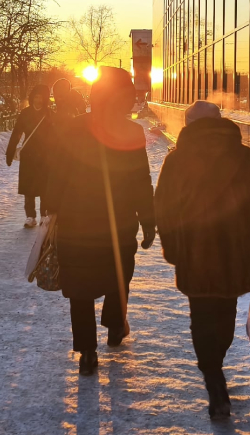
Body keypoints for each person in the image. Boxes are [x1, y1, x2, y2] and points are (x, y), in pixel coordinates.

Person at [154, 100, 250, 419]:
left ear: (188, 125)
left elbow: (164, 210)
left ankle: (213, 380)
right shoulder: (244, 157)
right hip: (235, 254)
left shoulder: (177, 159)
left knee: (201, 316)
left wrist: (174, 249)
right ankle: (216, 370)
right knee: (224, 314)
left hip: (196, 255)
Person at [44, 67, 155, 376]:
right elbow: (140, 182)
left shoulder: (71, 128)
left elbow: (56, 173)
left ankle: (88, 352)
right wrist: (148, 220)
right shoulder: (131, 132)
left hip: (75, 224)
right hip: (117, 224)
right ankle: (116, 327)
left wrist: (51, 207)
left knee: (79, 288)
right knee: (119, 276)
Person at [5, 85, 53, 228]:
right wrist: (10, 151)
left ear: (45, 99)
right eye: (36, 97)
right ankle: (30, 216)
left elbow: (56, 136)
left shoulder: (49, 114)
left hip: (45, 154)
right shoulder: (25, 114)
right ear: (32, 98)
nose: (38, 100)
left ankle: (44, 214)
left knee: (45, 185)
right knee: (29, 186)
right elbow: (17, 133)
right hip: (29, 155)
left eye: (41, 97)